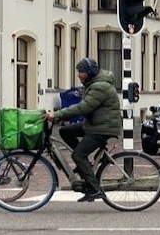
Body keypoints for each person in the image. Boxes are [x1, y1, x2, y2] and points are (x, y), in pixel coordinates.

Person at [44, 57, 121, 201]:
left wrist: (57, 114)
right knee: (65, 131)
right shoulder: (93, 83)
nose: (79, 74)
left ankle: (95, 189)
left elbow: (83, 107)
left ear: (90, 72)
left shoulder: (100, 87)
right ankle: (85, 164)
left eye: (82, 72)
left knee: (77, 155)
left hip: (102, 128)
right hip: (95, 124)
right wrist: (60, 117)